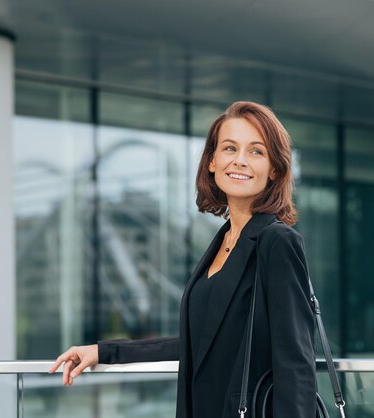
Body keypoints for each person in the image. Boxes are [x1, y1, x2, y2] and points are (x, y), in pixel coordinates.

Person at [49, 101, 317, 418]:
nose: (240, 160)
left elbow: (296, 362)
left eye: (256, 151)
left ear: (274, 168)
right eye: (230, 148)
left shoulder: (277, 241)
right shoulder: (222, 241)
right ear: (213, 162)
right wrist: (104, 351)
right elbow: (197, 345)